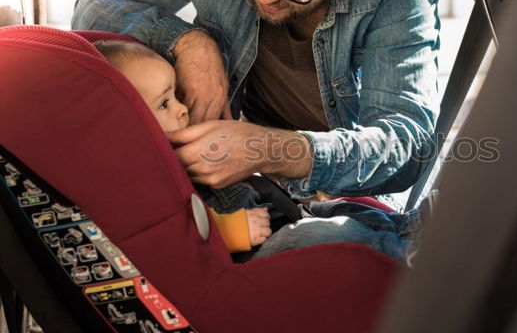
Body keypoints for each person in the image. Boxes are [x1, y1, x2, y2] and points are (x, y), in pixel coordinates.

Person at [72, 0, 440, 204]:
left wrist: (269, 151)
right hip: (225, 186)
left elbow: (407, 145)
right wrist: (190, 43)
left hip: (342, 194)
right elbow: (93, 6)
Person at [93, 39, 427, 262]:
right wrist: (231, 232)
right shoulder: (139, 186)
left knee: (342, 213)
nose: (183, 109)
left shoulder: (175, 156)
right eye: (165, 103)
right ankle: (406, 257)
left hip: (280, 215)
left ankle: (411, 229)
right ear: (126, 128)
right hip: (256, 255)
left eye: (177, 95)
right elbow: (166, 242)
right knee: (318, 236)